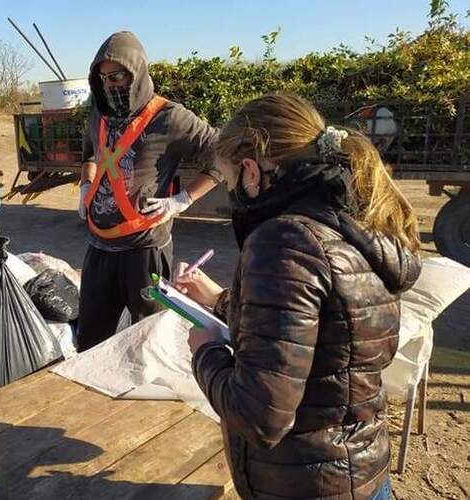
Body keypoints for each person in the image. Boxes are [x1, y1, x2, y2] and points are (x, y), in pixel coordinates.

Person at [176, 93, 421, 499]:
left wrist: (205, 351)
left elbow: (258, 417)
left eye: (227, 178)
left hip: (305, 483)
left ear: (251, 172)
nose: (229, 192)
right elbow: (326, 335)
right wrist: (221, 299)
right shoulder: (354, 224)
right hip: (360, 471)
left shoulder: (282, 240)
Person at [77, 31, 224, 352]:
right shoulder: (98, 114)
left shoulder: (169, 118)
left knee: (150, 340)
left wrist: (183, 199)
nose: (110, 85)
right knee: (89, 341)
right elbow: (90, 154)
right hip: (99, 246)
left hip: (145, 250)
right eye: (103, 79)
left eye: (118, 77)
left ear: (137, 73)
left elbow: (221, 154)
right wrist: (85, 185)